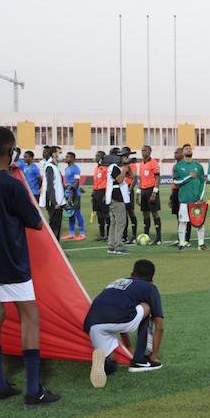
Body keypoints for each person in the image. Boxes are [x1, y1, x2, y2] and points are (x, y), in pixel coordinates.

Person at [0, 126, 60, 408]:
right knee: (30, 316)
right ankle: (33, 391)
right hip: (11, 258)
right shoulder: (12, 184)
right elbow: (35, 222)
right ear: (11, 150)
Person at [83, 259, 164, 389]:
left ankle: (102, 363)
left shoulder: (118, 281)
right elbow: (159, 326)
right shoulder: (149, 287)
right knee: (147, 307)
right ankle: (139, 361)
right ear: (152, 279)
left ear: (132, 274)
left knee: (111, 363)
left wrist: (128, 347)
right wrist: (153, 356)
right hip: (118, 318)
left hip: (93, 323)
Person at [172, 143, 207, 250]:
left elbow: (202, 182)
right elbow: (176, 182)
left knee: (199, 222)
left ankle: (201, 244)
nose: (188, 150)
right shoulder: (178, 167)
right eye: (186, 149)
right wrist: (188, 176)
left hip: (196, 200)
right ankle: (181, 243)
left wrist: (200, 198)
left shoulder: (198, 166)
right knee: (182, 222)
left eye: (190, 148)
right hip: (184, 200)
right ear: (183, 152)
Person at [105, 148, 132, 255]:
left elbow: (131, 176)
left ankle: (111, 246)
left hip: (113, 197)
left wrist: (126, 166)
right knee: (120, 222)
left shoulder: (115, 167)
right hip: (117, 197)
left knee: (114, 223)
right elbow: (119, 180)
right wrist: (124, 168)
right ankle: (119, 247)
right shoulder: (114, 167)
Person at [138, 145, 163, 245]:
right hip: (143, 191)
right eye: (142, 150)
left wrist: (154, 192)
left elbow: (157, 178)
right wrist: (138, 193)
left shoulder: (154, 163)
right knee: (145, 213)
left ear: (149, 152)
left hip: (151, 190)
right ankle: (146, 235)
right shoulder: (141, 164)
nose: (143, 152)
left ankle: (158, 238)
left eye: (145, 150)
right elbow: (141, 179)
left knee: (154, 213)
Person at [39, 146, 65, 241]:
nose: (61, 155)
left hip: (58, 201)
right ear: (54, 154)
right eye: (59, 152)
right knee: (54, 226)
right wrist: (55, 202)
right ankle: (53, 249)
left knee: (57, 226)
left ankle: (57, 249)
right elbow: (50, 186)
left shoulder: (54, 166)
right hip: (53, 201)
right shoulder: (50, 167)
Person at [169, 147, 192, 246]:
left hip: (183, 191)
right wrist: (171, 196)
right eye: (174, 153)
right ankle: (180, 238)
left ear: (182, 154)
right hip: (175, 192)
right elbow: (174, 182)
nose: (175, 154)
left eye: (177, 153)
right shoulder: (175, 166)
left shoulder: (186, 166)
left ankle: (187, 239)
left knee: (186, 216)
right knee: (179, 216)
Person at [62, 152, 85, 241]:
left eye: (67, 157)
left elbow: (76, 183)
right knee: (70, 214)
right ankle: (71, 233)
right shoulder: (67, 168)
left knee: (77, 213)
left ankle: (82, 234)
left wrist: (72, 194)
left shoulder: (76, 169)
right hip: (68, 194)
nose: (65, 158)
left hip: (74, 194)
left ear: (72, 158)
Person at [121, 146, 139, 245]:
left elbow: (134, 178)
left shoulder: (132, 164)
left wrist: (129, 190)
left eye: (124, 152)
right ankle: (124, 236)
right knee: (123, 213)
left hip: (128, 189)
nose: (122, 153)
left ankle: (134, 236)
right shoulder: (121, 163)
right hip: (121, 189)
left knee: (130, 212)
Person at [92, 151, 110, 242]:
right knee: (99, 213)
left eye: (98, 155)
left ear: (102, 157)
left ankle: (109, 235)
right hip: (96, 192)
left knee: (106, 213)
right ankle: (102, 235)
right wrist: (93, 193)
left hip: (103, 192)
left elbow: (108, 182)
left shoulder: (106, 168)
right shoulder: (96, 168)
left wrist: (106, 194)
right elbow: (95, 181)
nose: (96, 157)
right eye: (96, 155)